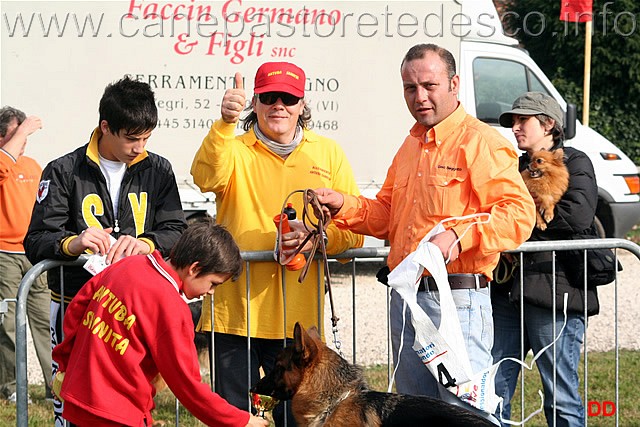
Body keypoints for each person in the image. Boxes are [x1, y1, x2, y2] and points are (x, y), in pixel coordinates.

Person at [314, 44, 535, 400]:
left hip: (457, 301)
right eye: (410, 88)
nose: (420, 97)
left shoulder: (481, 143)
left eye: (429, 85)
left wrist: (458, 237)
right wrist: (343, 205)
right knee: (413, 410)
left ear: (454, 84)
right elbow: (388, 215)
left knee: (464, 413)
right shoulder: (410, 147)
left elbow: (519, 214)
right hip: (407, 300)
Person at [190, 61, 363, 425]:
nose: (278, 105)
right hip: (235, 316)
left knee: (289, 420)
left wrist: (317, 239)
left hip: (296, 330)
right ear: (255, 102)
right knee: (237, 417)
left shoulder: (328, 153)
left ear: (302, 104)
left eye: (288, 97)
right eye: (269, 96)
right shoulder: (235, 147)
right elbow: (204, 177)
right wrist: (224, 123)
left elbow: (355, 231)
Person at [24, 76, 187, 424]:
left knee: (128, 401)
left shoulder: (158, 169)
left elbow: (176, 230)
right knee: (69, 401)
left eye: (146, 137)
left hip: (133, 311)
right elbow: (36, 240)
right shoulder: (64, 169)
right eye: (131, 138)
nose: (139, 146)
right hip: (74, 307)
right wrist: (74, 242)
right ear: (105, 127)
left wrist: (145, 243)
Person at [51, 218, 268, 427]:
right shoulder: (172, 308)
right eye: (213, 283)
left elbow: (76, 310)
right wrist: (238, 420)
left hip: (80, 398)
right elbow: (188, 384)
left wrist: (65, 365)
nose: (211, 292)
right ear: (194, 268)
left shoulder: (127, 264)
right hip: (120, 411)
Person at [491, 92, 599, 427]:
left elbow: (577, 215)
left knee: (560, 395)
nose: (516, 128)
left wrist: (517, 233)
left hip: (555, 292)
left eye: (523, 120)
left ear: (548, 123)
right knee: (494, 389)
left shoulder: (576, 162)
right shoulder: (511, 165)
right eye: (513, 122)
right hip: (508, 293)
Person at [0, 107, 52, 402]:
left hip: (34, 257)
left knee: (44, 322)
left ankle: (52, 388)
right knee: (8, 325)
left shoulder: (33, 166)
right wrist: (20, 132)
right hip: (4, 256)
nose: (24, 140)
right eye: (17, 133)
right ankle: (12, 390)